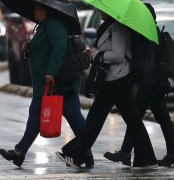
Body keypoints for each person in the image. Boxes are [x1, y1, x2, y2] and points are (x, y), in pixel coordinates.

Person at [56, 11, 158, 169]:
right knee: (132, 121)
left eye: (102, 10)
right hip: (115, 79)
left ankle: (76, 155)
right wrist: (94, 53)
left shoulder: (118, 29)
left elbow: (117, 55)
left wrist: (96, 54)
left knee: (95, 120)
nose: (100, 12)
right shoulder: (109, 27)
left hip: (116, 80)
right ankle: (147, 159)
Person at [0, 3, 93, 168]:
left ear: (45, 11)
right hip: (51, 82)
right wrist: (27, 50)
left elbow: (60, 48)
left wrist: (51, 72)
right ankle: (86, 155)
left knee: (38, 113)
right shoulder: (41, 26)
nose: (34, 12)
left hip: (54, 81)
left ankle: (19, 152)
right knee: (71, 116)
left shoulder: (54, 25)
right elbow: (41, 50)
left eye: (37, 9)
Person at [104, 3, 174, 167]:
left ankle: (126, 153)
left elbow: (141, 62)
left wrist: (134, 78)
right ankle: (173, 154)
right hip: (158, 83)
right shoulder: (155, 33)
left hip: (146, 84)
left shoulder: (142, 36)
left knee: (135, 118)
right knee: (162, 119)